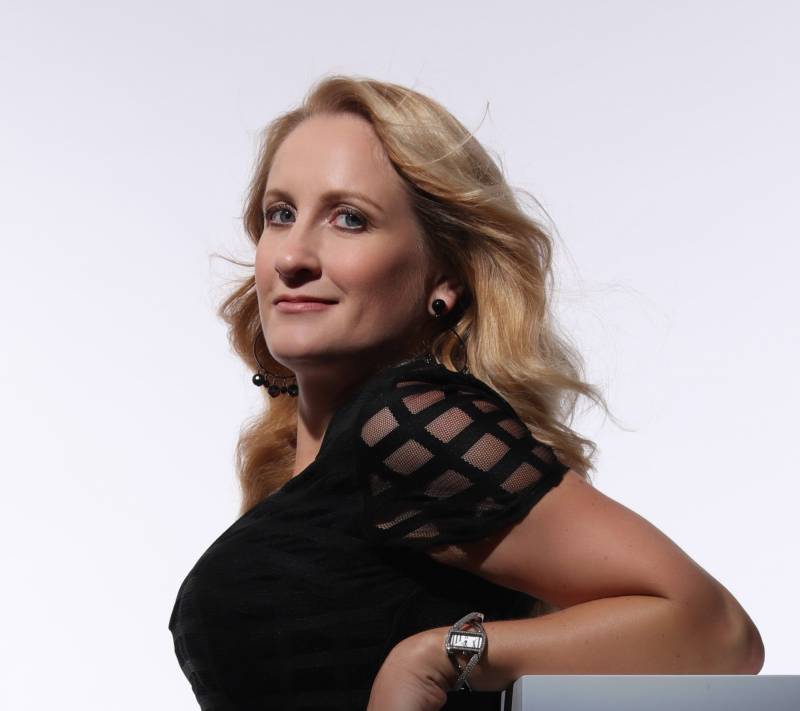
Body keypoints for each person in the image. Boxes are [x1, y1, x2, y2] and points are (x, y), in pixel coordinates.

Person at [168, 74, 764, 711]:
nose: (292, 257)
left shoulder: (406, 422)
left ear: (444, 277)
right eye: (280, 215)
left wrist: (440, 657)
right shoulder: (303, 467)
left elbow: (719, 632)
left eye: (350, 219)